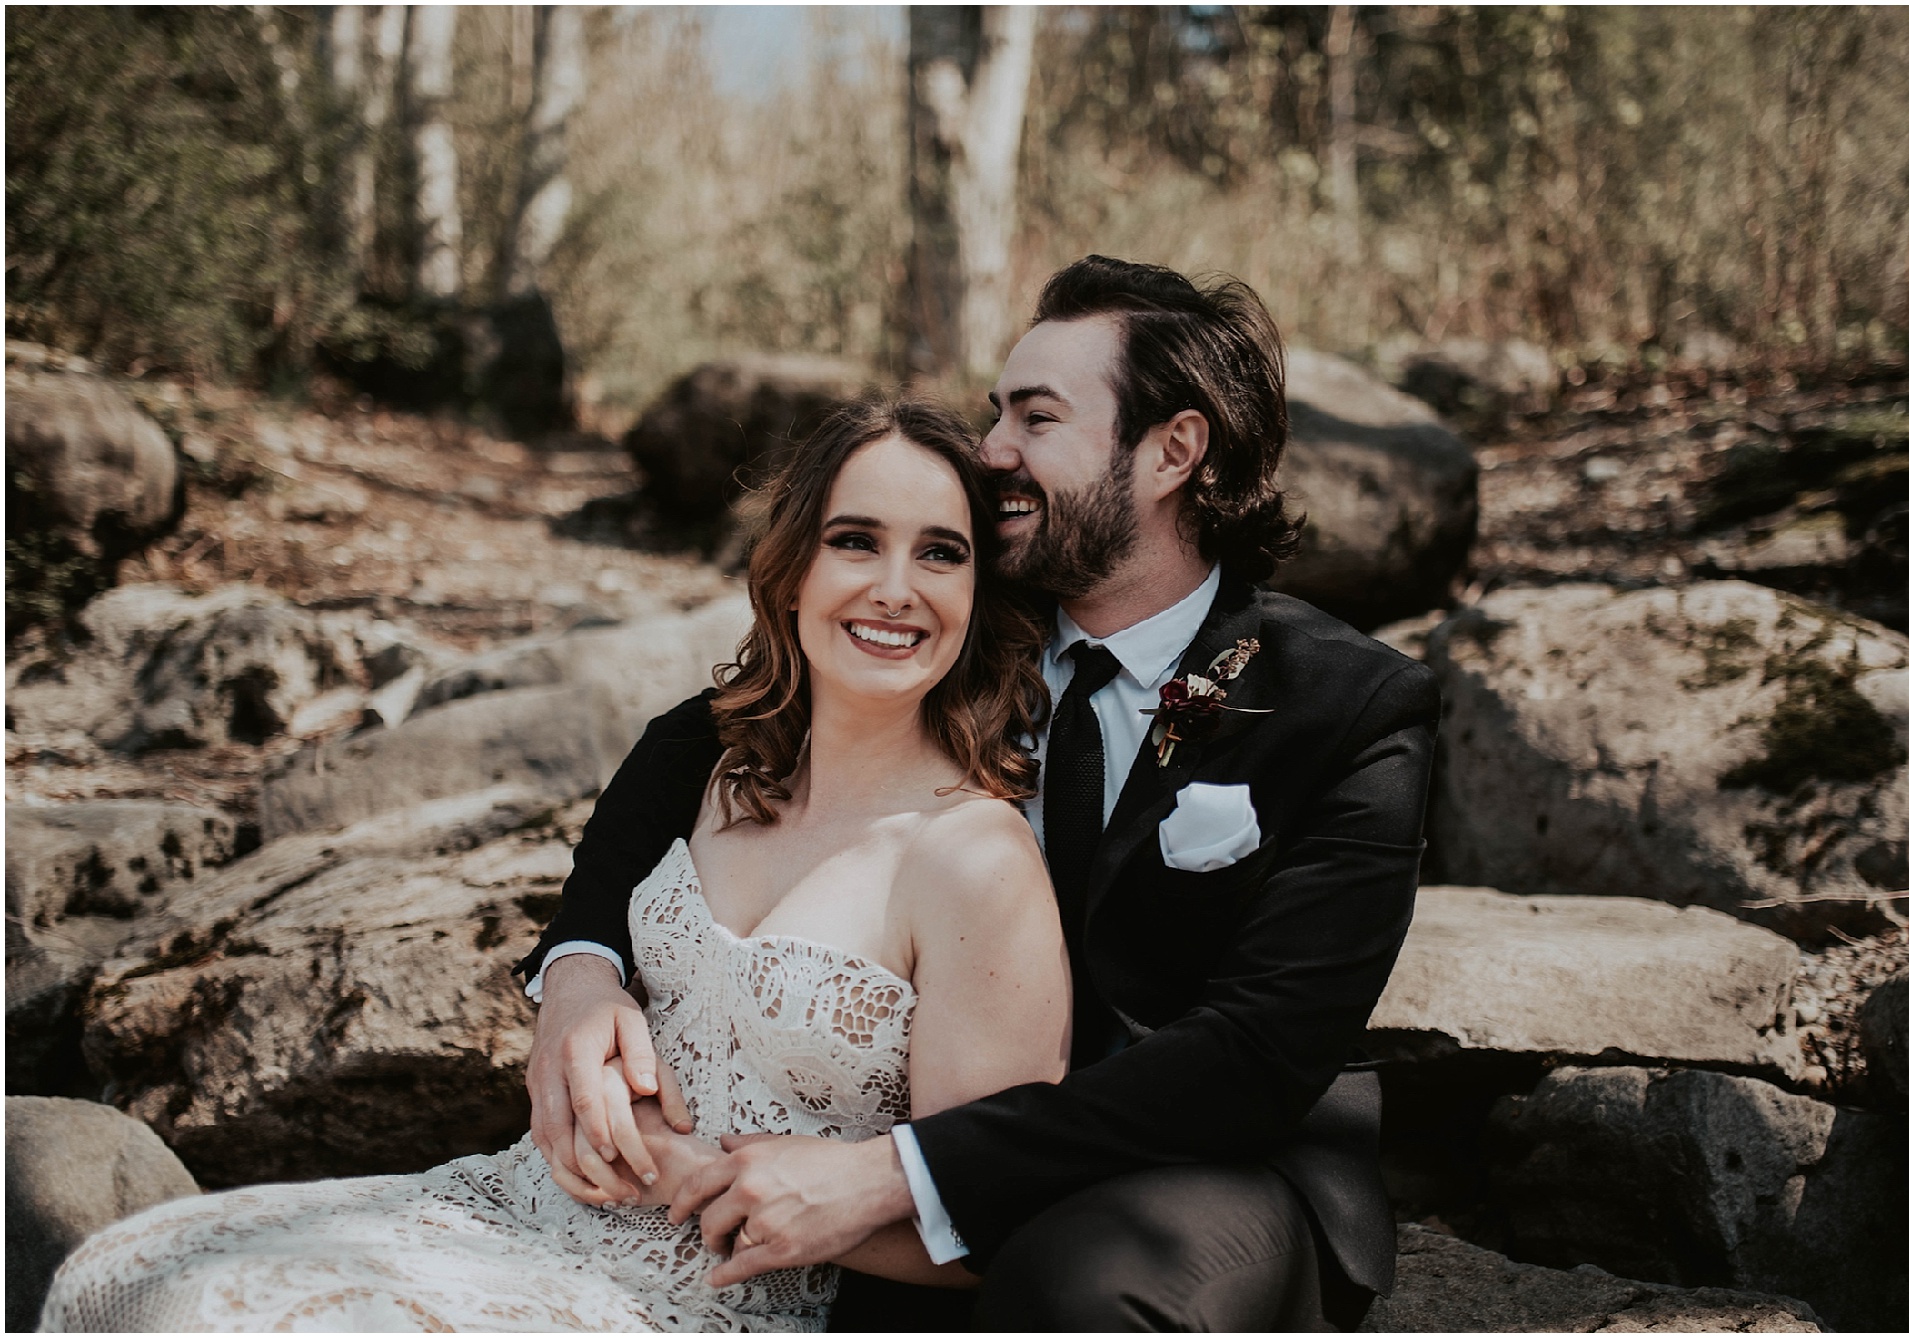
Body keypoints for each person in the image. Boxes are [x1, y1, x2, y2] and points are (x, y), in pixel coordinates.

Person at [525, 255, 1441, 1331]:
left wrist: (892, 1174)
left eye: (1034, 418)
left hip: (1203, 1160)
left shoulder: (1343, 707)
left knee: (1074, 1292)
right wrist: (578, 971)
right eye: (994, 411)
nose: (992, 449)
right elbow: (708, 735)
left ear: (1170, 451)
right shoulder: (959, 606)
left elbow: (1252, 1057)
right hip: (925, 1123)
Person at [38, 401, 1069, 1332]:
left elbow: (988, 1231)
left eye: (940, 553)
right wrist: (578, 981)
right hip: (514, 1208)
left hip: (705, 1300)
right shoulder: (717, 769)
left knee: (216, 1320)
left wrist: (728, 1185)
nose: (896, 588)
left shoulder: (972, 861)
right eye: (856, 541)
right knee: (120, 1269)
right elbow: (592, 914)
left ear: (978, 591)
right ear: (793, 568)